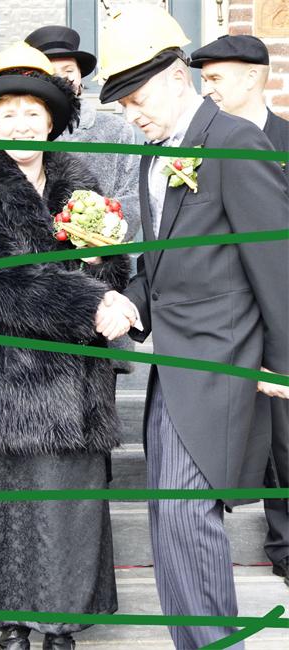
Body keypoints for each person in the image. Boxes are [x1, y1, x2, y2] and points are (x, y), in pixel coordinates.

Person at [92, 5, 289, 649]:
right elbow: (162, 266)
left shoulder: (234, 141)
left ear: (178, 78)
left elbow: (276, 263)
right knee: (171, 521)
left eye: (138, 98)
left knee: (185, 516)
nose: (132, 114)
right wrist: (130, 303)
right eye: (122, 104)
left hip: (223, 362)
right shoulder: (156, 155)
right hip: (173, 368)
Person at [0, 41, 131, 650]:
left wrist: (106, 273)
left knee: (65, 511)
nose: (21, 123)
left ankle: (60, 625)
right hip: (0, 379)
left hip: (73, 382)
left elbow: (115, 266)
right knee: (0, 511)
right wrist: (91, 303)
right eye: (9, 114)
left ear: (51, 121)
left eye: (32, 112)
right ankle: (11, 623)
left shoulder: (81, 185)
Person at [190, 34, 289, 586]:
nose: (209, 88)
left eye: (216, 77)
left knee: (287, 432)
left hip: (282, 301)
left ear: (253, 76)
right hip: (228, 311)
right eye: (204, 79)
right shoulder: (203, 147)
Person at [24, 25, 141, 241]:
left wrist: (96, 233)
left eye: (69, 70)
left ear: (80, 76)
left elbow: (133, 197)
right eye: (51, 71)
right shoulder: (15, 132)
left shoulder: (116, 131)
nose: (62, 78)